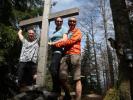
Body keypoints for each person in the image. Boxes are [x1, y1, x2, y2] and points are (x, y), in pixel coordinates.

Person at [51, 17, 82, 100]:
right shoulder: (67, 32)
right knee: (61, 77)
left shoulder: (77, 31)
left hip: (75, 54)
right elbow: (64, 40)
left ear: (75, 23)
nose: (72, 22)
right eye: (70, 21)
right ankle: (68, 95)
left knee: (77, 78)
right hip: (65, 55)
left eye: (74, 21)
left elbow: (71, 41)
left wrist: (57, 44)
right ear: (68, 23)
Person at [48, 17, 68, 98]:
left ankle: (56, 89)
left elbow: (65, 39)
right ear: (55, 22)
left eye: (61, 21)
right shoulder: (54, 32)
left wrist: (53, 43)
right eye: (57, 21)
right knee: (55, 70)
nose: (59, 22)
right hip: (53, 52)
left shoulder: (64, 29)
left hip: (60, 52)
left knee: (52, 68)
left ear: (62, 22)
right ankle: (64, 92)